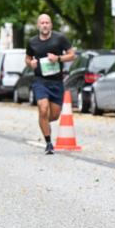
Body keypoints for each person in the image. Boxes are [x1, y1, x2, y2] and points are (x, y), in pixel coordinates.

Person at [25, 14, 76, 154]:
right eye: (42, 23)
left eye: (47, 22)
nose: (45, 25)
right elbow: (28, 58)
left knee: (54, 115)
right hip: (40, 80)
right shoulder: (32, 42)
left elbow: (72, 55)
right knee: (43, 108)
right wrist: (31, 63)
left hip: (56, 81)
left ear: (51, 25)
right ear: (38, 25)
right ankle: (48, 143)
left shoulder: (59, 38)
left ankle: (43, 122)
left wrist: (58, 58)